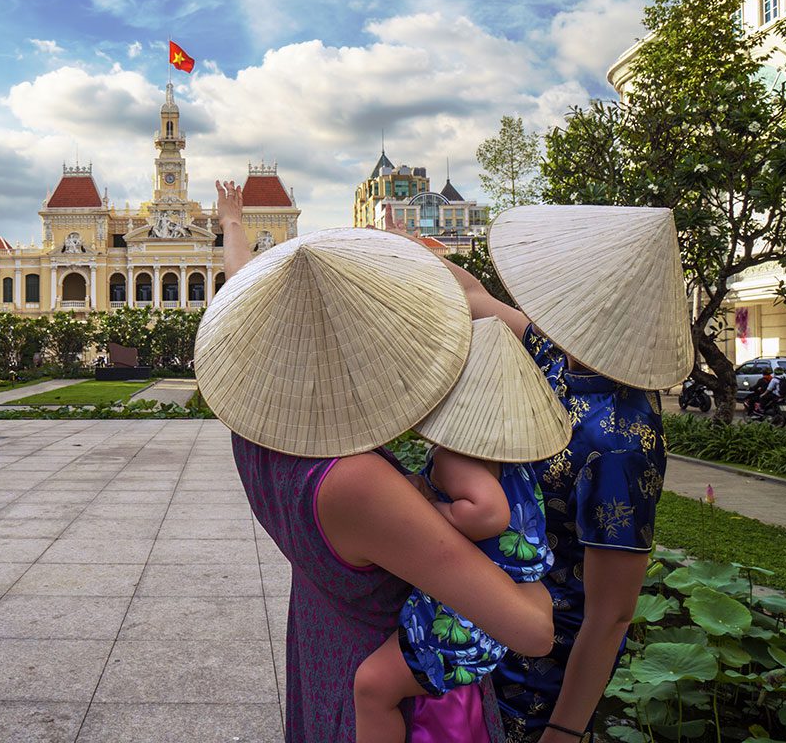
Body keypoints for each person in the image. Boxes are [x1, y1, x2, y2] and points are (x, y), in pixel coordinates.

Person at [200, 183, 555, 742]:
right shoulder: (355, 483)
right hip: (396, 705)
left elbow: (241, 281)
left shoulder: (257, 427)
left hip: (322, 652)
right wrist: (525, 545)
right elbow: (533, 631)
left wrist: (233, 224)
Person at [431, 204, 694, 742]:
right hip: (495, 623)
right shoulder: (560, 354)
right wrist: (396, 246)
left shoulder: (621, 440)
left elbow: (612, 615)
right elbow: (476, 298)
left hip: (543, 670)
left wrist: (564, 730)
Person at [353, 317, 571, 743]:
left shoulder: (457, 456)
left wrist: (429, 509)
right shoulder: (508, 455)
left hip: (470, 611)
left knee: (372, 686)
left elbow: (487, 514)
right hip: (505, 598)